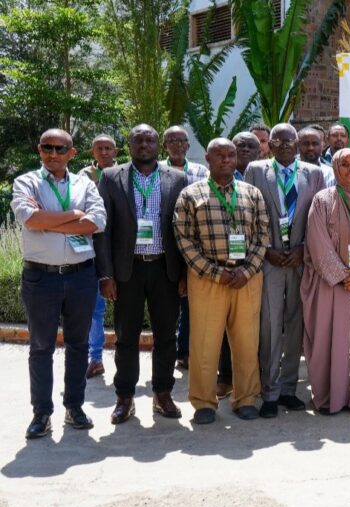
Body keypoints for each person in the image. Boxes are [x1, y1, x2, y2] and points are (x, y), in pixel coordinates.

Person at [14, 129, 106, 439]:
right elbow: (29, 218)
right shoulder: (27, 182)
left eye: (59, 148)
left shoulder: (85, 183)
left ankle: (74, 407)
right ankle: (42, 414)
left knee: (78, 345)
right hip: (41, 277)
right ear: (39, 150)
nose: (52, 153)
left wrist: (48, 218)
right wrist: (73, 216)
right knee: (41, 347)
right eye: (46, 147)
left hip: (81, 275)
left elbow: (98, 221)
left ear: (72, 152)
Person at [95, 124, 188, 425]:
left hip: (165, 268)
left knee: (166, 336)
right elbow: (104, 230)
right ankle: (125, 397)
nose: (145, 144)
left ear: (158, 145)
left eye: (150, 139)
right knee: (126, 336)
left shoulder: (177, 178)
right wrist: (105, 275)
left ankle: (163, 393)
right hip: (128, 270)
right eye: (139, 140)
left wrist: (184, 273)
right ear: (129, 144)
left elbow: (184, 230)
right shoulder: (110, 177)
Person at [173, 138, 270, 424]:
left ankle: (246, 398)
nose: (227, 160)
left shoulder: (251, 193)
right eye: (220, 155)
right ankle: (204, 402)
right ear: (207, 158)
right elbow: (184, 240)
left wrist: (247, 270)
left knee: (246, 342)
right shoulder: (191, 195)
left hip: (246, 279)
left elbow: (262, 235)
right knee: (205, 342)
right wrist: (216, 272)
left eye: (231, 155)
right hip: (207, 279)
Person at [244, 123, 325, 418]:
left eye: (290, 139)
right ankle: (269, 391)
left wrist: (304, 249)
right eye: (277, 139)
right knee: (269, 325)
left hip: (301, 259)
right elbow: (247, 213)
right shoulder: (255, 169)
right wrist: (265, 249)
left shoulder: (314, 173)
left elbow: (319, 216)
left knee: (295, 325)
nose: (284, 143)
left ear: (298, 143)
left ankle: (289, 390)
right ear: (271, 145)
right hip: (270, 259)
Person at [301, 149, 350, 414]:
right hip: (330, 284)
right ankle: (330, 397)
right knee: (328, 336)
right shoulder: (322, 200)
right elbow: (318, 243)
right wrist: (342, 275)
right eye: (344, 165)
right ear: (335, 168)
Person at [214, 131, 262, 399]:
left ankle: (252, 382)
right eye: (238, 145)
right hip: (219, 267)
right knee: (221, 329)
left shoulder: (260, 179)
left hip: (251, 266)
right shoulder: (217, 178)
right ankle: (225, 377)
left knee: (249, 330)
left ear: (260, 152)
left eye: (250, 146)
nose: (244, 149)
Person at [163, 125, 210, 370]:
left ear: (188, 146)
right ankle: (171, 350)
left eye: (182, 141)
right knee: (169, 302)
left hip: (195, 242)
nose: (177, 145)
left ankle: (187, 351)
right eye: (172, 141)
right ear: (165, 146)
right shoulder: (158, 170)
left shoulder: (202, 171)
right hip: (165, 243)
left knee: (191, 302)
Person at [78, 134, 118, 379]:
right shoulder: (81, 178)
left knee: (126, 308)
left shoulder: (125, 174)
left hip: (120, 249)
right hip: (92, 248)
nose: (104, 152)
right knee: (95, 308)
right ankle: (95, 358)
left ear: (116, 151)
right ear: (92, 152)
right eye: (99, 148)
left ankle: (125, 358)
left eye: (108, 148)